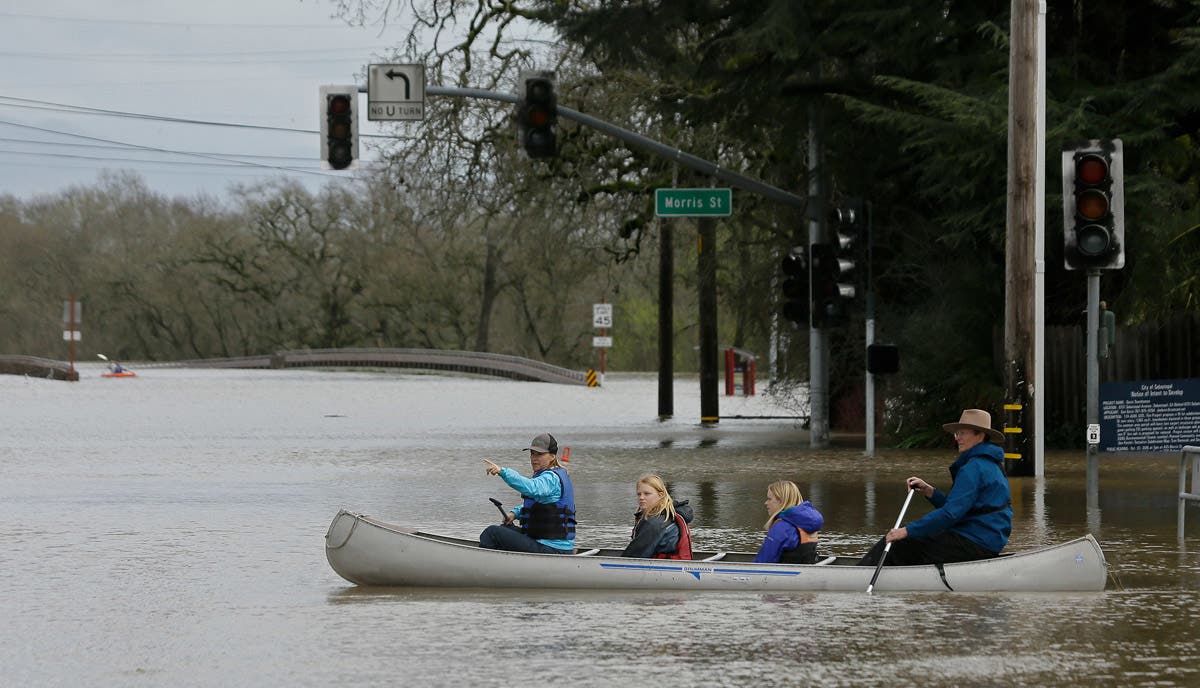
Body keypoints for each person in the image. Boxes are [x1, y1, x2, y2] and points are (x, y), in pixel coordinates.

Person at [858, 409, 1013, 567]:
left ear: (979, 435)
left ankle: (861, 572)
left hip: (975, 542)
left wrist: (906, 531)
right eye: (956, 434)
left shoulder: (973, 468)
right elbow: (964, 507)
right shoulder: (992, 464)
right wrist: (929, 491)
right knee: (910, 536)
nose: (957, 438)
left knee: (901, 540)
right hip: (988, 540)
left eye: (963, 433)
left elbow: (950, 514)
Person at [479, 433, 576, 554]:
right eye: (532, 454)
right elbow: (539, 505)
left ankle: (485, 567)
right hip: (546, 543)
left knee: (492, 533)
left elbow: (532, 488)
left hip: (553, 548)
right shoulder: (550, 475)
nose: (534, 458)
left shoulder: (551, 478)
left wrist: (502, 471)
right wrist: (515, 513)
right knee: (504, 529)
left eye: (539, 454)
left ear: (552, 456)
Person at [622, 474, 694, 559]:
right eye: (639, 494)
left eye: (647, 494)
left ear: (660, 495)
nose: (641, 497)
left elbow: (635, 555)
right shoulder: (667, 515)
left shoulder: (655, 522)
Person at [753, 480, 824, 564]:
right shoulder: (805, 523)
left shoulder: (781, 527)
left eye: (769, 499)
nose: (766, 503)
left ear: (780, 501)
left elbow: (764, 561)